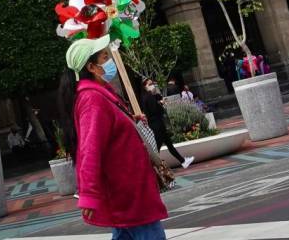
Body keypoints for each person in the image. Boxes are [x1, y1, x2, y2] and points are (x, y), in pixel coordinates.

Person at [59, 37, 168, 240]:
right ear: (91, 67)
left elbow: (109, 129)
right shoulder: (93, 99)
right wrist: (89, 194)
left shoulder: (100, 94)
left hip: (129, 190)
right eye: (105, 56)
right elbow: (90, 149)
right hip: (128, 192)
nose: (110, 60)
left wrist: (129, 120)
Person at [141, 79, 194, 169]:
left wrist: (158, 101)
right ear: (145, 86)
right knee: (157, 147)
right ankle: (150, 167)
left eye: (152, 83)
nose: (152, 85)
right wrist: (160, 104)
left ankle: (183, 161)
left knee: (168, 144)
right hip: (157, 125)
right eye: (150, 84)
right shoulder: (148, 97)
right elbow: (155, 110)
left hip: (157, 124)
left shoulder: (148, 96)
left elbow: (156, 101)